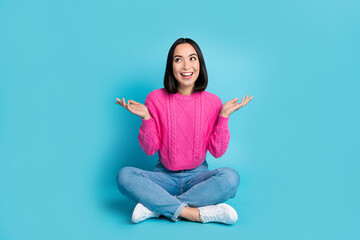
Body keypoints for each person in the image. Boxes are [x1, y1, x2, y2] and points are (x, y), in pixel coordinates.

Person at [115, 38, 253, 224]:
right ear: (171, 66)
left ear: (200, 63)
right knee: (124, 176)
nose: (186, 66)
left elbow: (217, 152)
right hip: (163, 178)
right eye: (178, 59)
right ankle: (195, 213)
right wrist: (146, 118)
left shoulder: (213, 102)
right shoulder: (155, 99)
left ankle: (156, 208)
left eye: (192, 58)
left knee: (230, 178)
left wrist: (224, 117)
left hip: (198, 178)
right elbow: (150, 150)